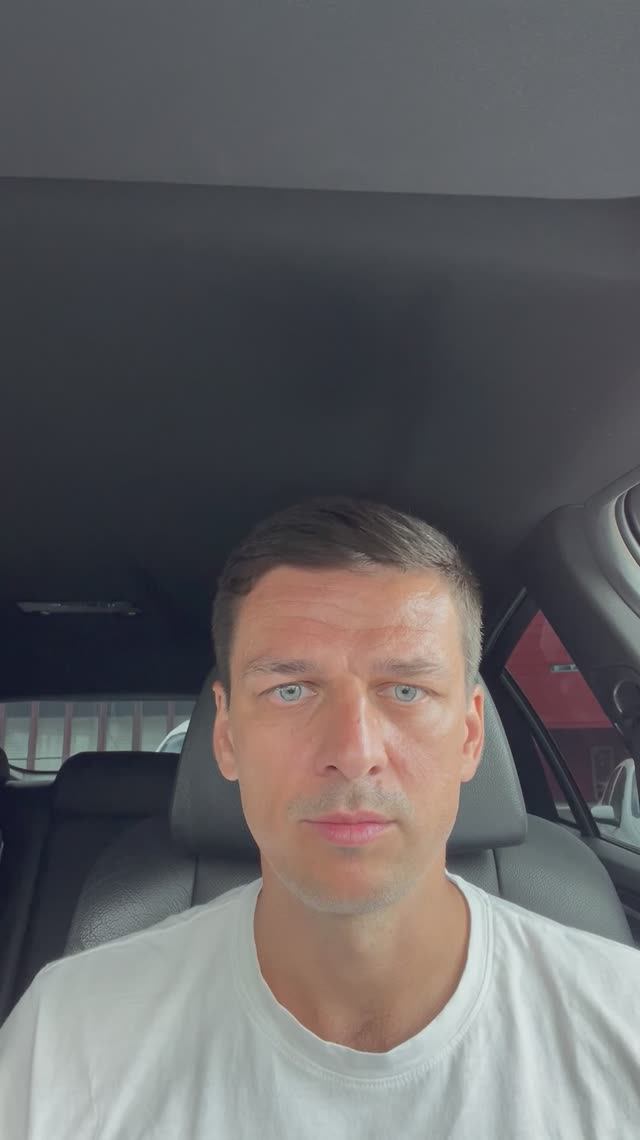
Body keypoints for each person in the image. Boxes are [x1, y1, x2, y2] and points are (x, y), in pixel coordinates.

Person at [0, 497, 638, 1138]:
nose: (353, 753)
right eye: (291, 690)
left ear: (470, 736)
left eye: (407, 690)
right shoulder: (69, 1037)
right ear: (226, 736)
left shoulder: (623, 1022)